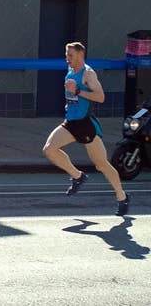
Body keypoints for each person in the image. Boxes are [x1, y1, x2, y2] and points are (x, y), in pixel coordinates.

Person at [42, 42, 129, 216]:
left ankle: (122, 196)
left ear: (81, 55)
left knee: (101, 164)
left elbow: (101, 97)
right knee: (49, 149)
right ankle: (78, 176)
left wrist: (77, 92)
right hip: (70, 123)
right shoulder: (70, 71)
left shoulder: (88, 74)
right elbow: (72, 98)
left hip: (86, 125)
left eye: (71, 55)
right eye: (66, 55)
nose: (67, 58)